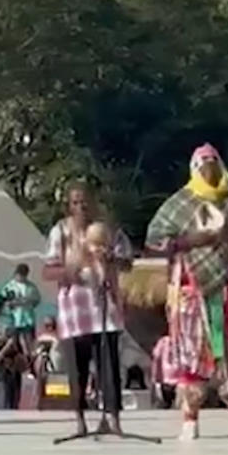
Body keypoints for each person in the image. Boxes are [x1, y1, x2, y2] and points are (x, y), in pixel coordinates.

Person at [144, 143, 228, 440]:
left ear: (222, 167)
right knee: (192, 353)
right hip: (192, 289)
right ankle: (190, 419)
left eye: (213, 164)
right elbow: (154, 240)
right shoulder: (179, 204)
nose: (209, 169)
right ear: (194, 170)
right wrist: (192, 240)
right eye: (203, 165)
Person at [45, 183, 133, 436]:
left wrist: (110, 259)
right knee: (78, 367)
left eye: (85, 202)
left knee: (109, 365)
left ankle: (113, 418)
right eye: (75, 202)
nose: (81, 206)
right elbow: (48, 270)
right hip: (75, 310)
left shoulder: (109, 231)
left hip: (105, 307)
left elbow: (127, 262)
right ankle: (79, 419)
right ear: (68, 206)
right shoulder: (60, 231)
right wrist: (68, 271)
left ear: (94, 203)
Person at [0, 299, 25, 410]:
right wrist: (6, 347)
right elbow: (11, 340)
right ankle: (0, 404)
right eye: (9, 305)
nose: (12, 306)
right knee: (4, 381)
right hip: (4, 355)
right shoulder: (5, 319)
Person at [0, 263, 41, 360]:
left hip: (27, 320)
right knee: (15, 344)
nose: (20, 277)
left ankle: (30, 363)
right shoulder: (9, 286)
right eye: (18, 274)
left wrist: (28, 303)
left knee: (29, 345)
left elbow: (36, 300)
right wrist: (9, 305)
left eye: (22, 275)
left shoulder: (31, 287)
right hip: (14, 321)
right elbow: (2, 301)